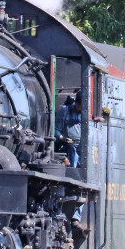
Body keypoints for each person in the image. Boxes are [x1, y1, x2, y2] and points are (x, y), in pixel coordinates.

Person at [55, 92, 86, 232]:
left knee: (84, 184)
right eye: (79, 106)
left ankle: (76, 217)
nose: (80, 109)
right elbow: (55, 130)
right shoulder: (64, 111)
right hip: (68, 147)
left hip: (83, 149)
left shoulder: (86, 114)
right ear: (76, 103)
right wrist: (62, 137)